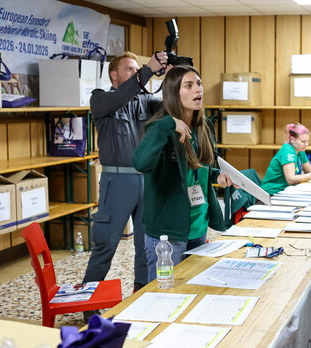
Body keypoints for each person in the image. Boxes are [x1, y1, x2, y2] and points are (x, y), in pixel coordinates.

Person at [131, 66, 233, 283]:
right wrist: (168, 124)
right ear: (173, 93)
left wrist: (216, 176)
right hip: (168, 232)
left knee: (195, 288)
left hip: (198, 226)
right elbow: (140, 163)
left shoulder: (204, 127)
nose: (198, 89)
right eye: (189, 85)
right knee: (165, 294)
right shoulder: (159, 128)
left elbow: (199, 168)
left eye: (199, 84)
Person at [82, 51, 167, 293]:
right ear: (114, 75)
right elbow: (121, 96)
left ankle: (141, 294)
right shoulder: (100, 99)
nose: (135, 73)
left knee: (146, 245)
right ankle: (89, 300)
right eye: (129, 69)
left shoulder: (145, 101)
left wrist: (172, 78)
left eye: (136, 69)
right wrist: (147, 71)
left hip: (146, 181)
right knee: (105, 244)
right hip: (117, 182)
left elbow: (171, 107)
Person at [259, 123, 311, 195]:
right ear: (292, 139)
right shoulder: (287, 151)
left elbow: (308, 170)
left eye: (307, 141)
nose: (306, 144)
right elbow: (291, 180)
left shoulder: (300, 150)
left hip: (286, 191)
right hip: (271, 193)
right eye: (303, 141)